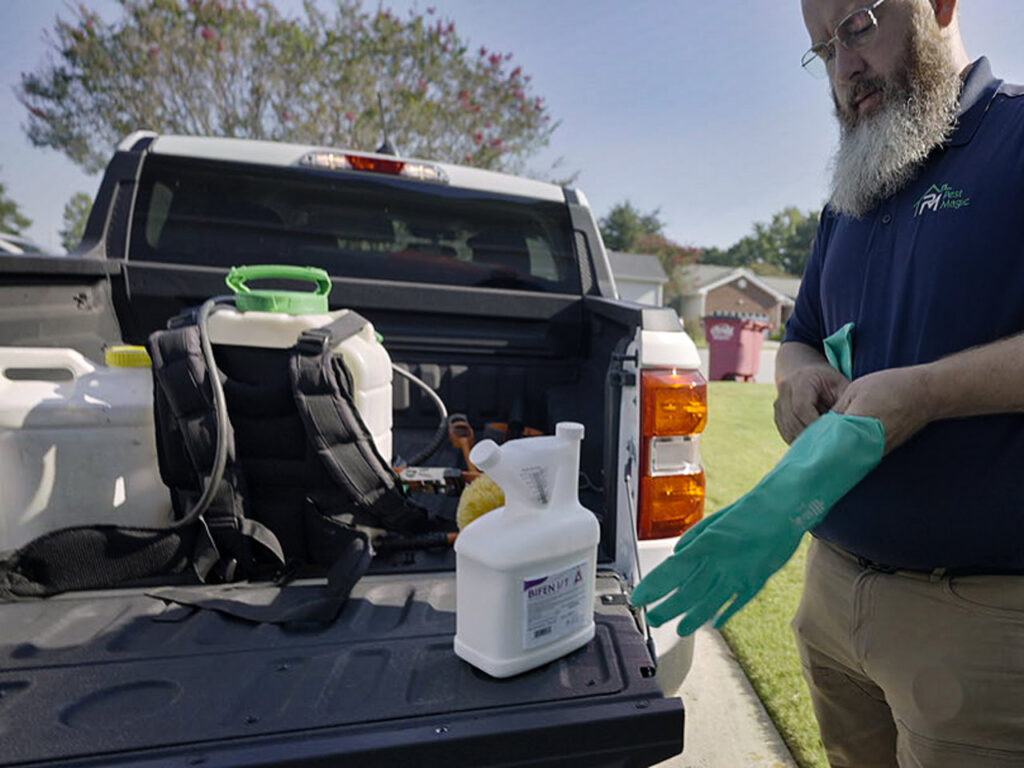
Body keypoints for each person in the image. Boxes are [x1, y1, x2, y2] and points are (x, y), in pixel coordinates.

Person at [777, 0, 1024, 765]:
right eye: (822, 51)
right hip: (829, 597)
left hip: (975, 624)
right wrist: (799, 378)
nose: (844, 68)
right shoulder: (852, 189)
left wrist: (926, 393)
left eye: (855, 27)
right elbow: (799, 336)